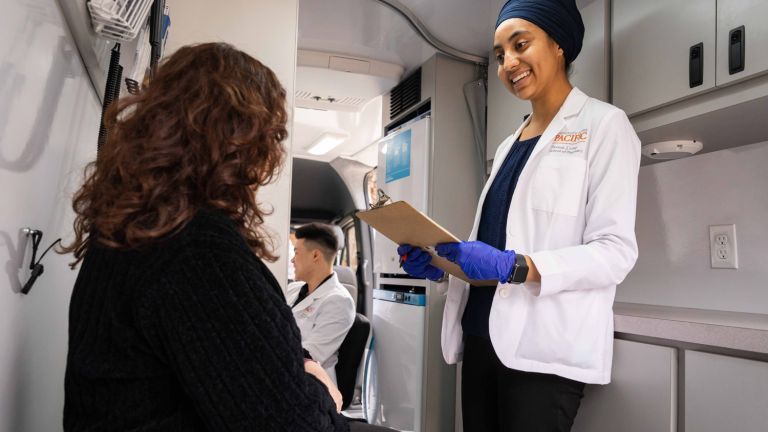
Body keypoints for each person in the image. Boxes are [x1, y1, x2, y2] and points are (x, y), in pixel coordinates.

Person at [61, 42, 390, 432]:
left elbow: (244, 345)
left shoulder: (135, 231)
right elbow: (291, 423)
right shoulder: (194, 252)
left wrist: (297, 363)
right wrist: (318, 386)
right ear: (242, 144)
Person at [398, 0, 641, 430]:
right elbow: (493, 247)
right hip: (479, 337)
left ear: (559, 45)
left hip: (542, 353)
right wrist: (440, 266)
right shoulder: (510, 144)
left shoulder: (605, 126)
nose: (509, 62)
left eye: (520, 44)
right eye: (499, 55)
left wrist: (516, 266)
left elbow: (615, 252)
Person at [286, 223, 355, 385]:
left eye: (296, 253)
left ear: (315, 255)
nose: (292, 260)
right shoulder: (292, 289)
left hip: (309, 384)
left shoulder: (339, 302)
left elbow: (310, 356)